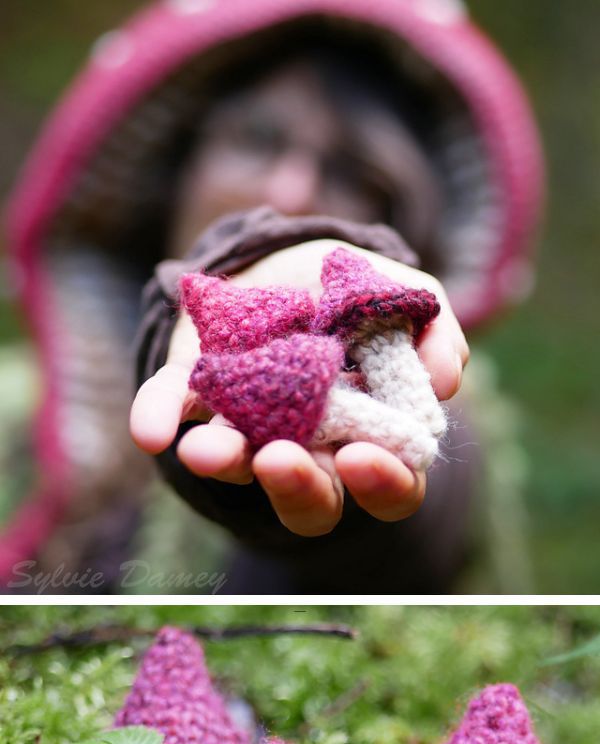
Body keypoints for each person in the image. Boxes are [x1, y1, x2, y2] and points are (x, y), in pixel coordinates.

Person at [2, 0, 543, 593]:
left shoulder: (451, 408)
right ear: (177, 164)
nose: (291, 192)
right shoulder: (14, 408)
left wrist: (283, 473)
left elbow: (396, 525)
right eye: (257, 137)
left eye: (356, 173)